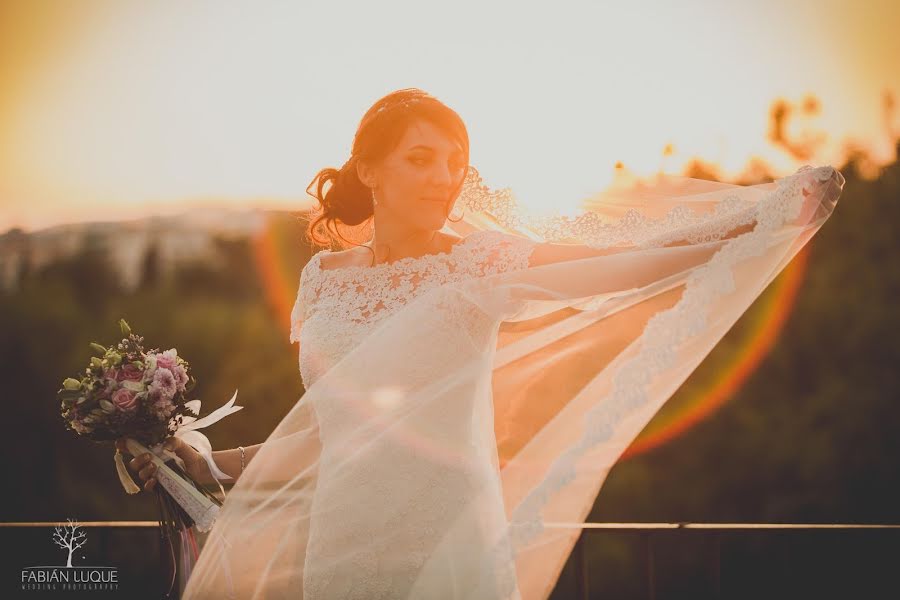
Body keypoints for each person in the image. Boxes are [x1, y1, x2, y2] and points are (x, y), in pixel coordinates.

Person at [122, 88, 844, 599]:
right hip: (339, 543)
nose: (443, 178)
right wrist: (206, 459)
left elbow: (627, 265)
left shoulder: (479, 262)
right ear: (368, 169)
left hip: (443, 540)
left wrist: (758, 221)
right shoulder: (320, 279)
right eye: (420, 159)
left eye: (453, 160)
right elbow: (327, 432)